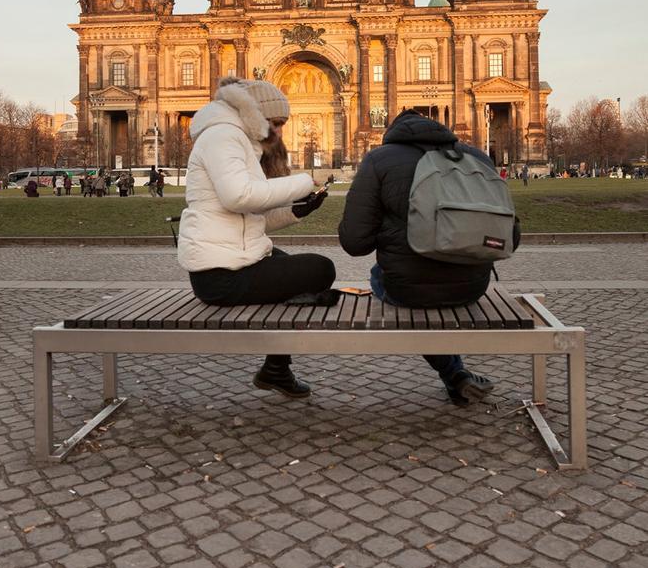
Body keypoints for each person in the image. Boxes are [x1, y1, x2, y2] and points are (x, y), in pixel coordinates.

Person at [339, 109, 520, 407]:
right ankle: (455, 376)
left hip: (404, 288)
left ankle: (454, 373)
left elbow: (354, 243)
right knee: (425, 283)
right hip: (471, 286)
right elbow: (510, 237)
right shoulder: (477, 157)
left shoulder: (379, 159)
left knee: (391, 278)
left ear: (393, 132)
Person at [177, 77, 336, 398]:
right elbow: (239, 197)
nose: (279, 132)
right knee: (321, 270)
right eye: (276, 123)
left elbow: (248, 219)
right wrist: (304, 182)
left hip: (235, 259)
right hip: (220, 275)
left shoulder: (235, 138)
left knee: (299, 276)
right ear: (256, 115)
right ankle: (276, 369)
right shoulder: (223, 136)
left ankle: (276, 369)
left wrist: (297, 210)